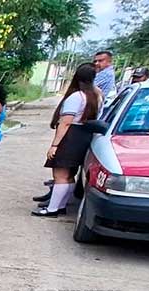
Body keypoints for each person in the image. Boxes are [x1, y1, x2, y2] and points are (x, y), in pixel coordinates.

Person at [35, 63, 102, 217]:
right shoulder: (97, 96)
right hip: (84, 136)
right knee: (70, 175)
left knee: (60, 175)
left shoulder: (76, 97)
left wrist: (54, 145)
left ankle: (52, 209)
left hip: (71, 135)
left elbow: (65, 122)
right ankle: (61, 206)